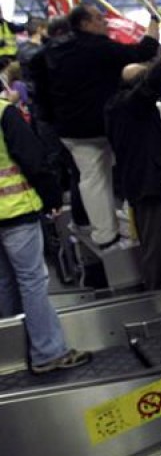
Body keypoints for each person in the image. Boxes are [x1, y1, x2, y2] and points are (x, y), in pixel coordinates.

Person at [33, 4, 159, 248]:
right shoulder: (98, 48)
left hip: (69, 131)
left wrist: (52, 122)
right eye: (99, 19)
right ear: (85, 24)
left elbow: (41, 95)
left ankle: (104, 234)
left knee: (91, 179)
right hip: (104, 127)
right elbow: (144, 51)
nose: (105, 22)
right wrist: (153, 19)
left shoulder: (47, 54)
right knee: (127, 171)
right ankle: (135, 223)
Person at [0, 95, 90, 373]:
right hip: (15, 211)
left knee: (4, 283)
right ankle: (47, 352)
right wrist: (51, 195)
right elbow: (33, 159)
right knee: (32, 281)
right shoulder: (4, 112)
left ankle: (12, 354)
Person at [105, 43, 161, 290]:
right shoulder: (132, 106)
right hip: (148, 184)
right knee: (156, 244)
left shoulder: (116, 107)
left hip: (138, 182)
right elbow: (149, 86)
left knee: (154, 241)